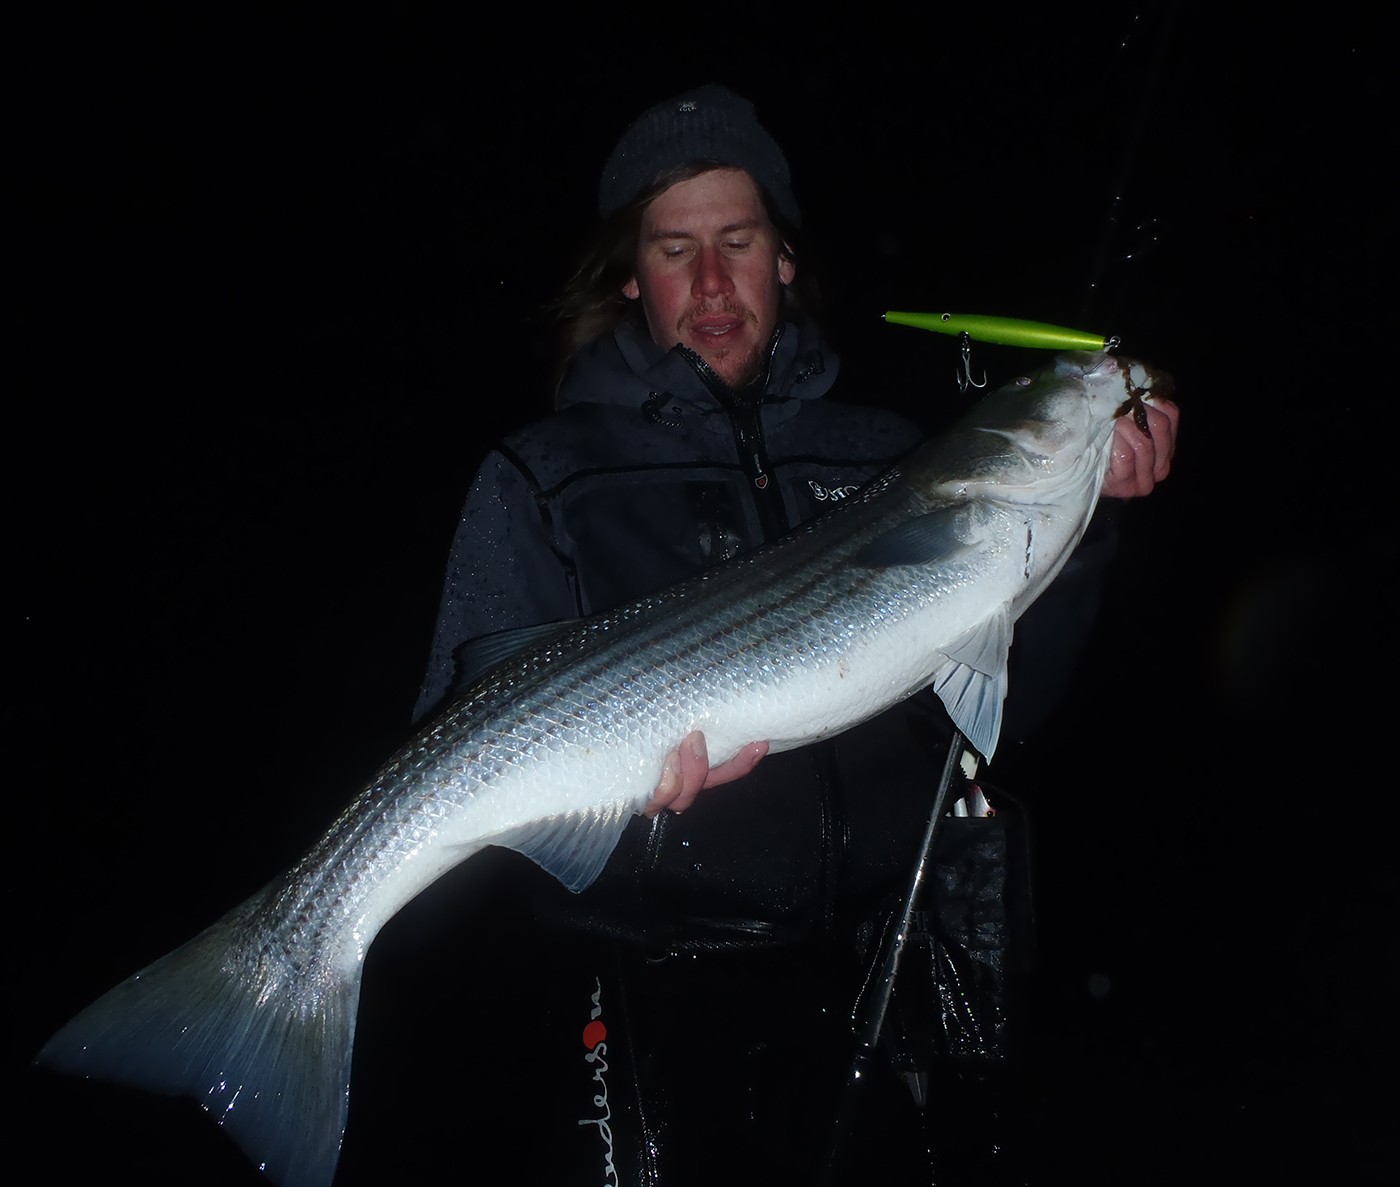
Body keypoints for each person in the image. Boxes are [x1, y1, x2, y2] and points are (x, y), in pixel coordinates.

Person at [415, 86, 1177, 1185]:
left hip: (881, 988)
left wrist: (1091, 521)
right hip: (653, 1000)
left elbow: (1007, 709)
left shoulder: (885, 454)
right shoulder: (544, 475)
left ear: (783, 258)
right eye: (675, 249)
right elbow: (464, 735)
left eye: (738, 241)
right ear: (630, 273)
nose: (711, 283)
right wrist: (624, 812)